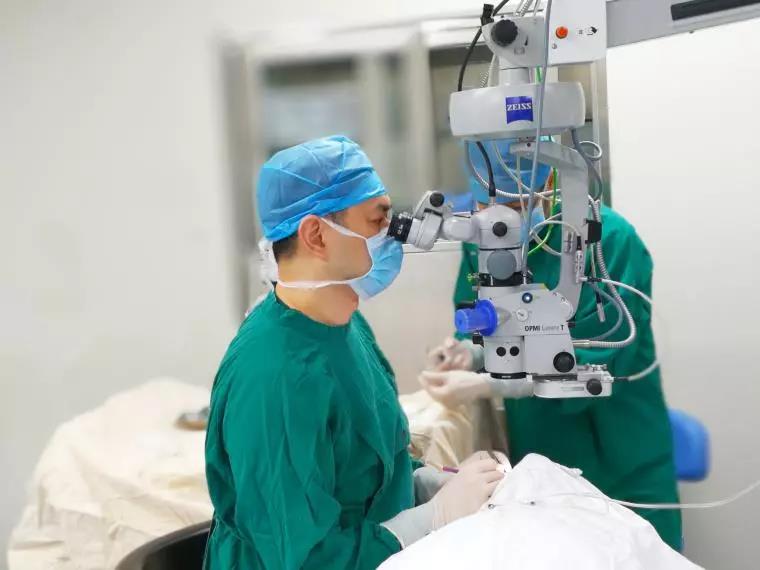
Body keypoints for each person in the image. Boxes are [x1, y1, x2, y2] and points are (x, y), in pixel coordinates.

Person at [204, 135, 505, 570]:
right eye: (377, 220)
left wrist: (421, 483)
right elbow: (305, 560)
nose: (393, 234)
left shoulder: (345, 325)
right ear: (316, 235)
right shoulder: (276, 377)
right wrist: (429, 519)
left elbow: (365, 461)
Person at [420, 139, 683, 550]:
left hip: (619, 455)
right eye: (487, 205)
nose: (502, 222)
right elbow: (480, 319)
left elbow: (601, 356)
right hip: (541, 454)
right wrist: (466, 353)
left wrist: (487, 385)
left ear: (547, 182)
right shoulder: (485, 235)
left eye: (516, 205)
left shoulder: (608, 240)